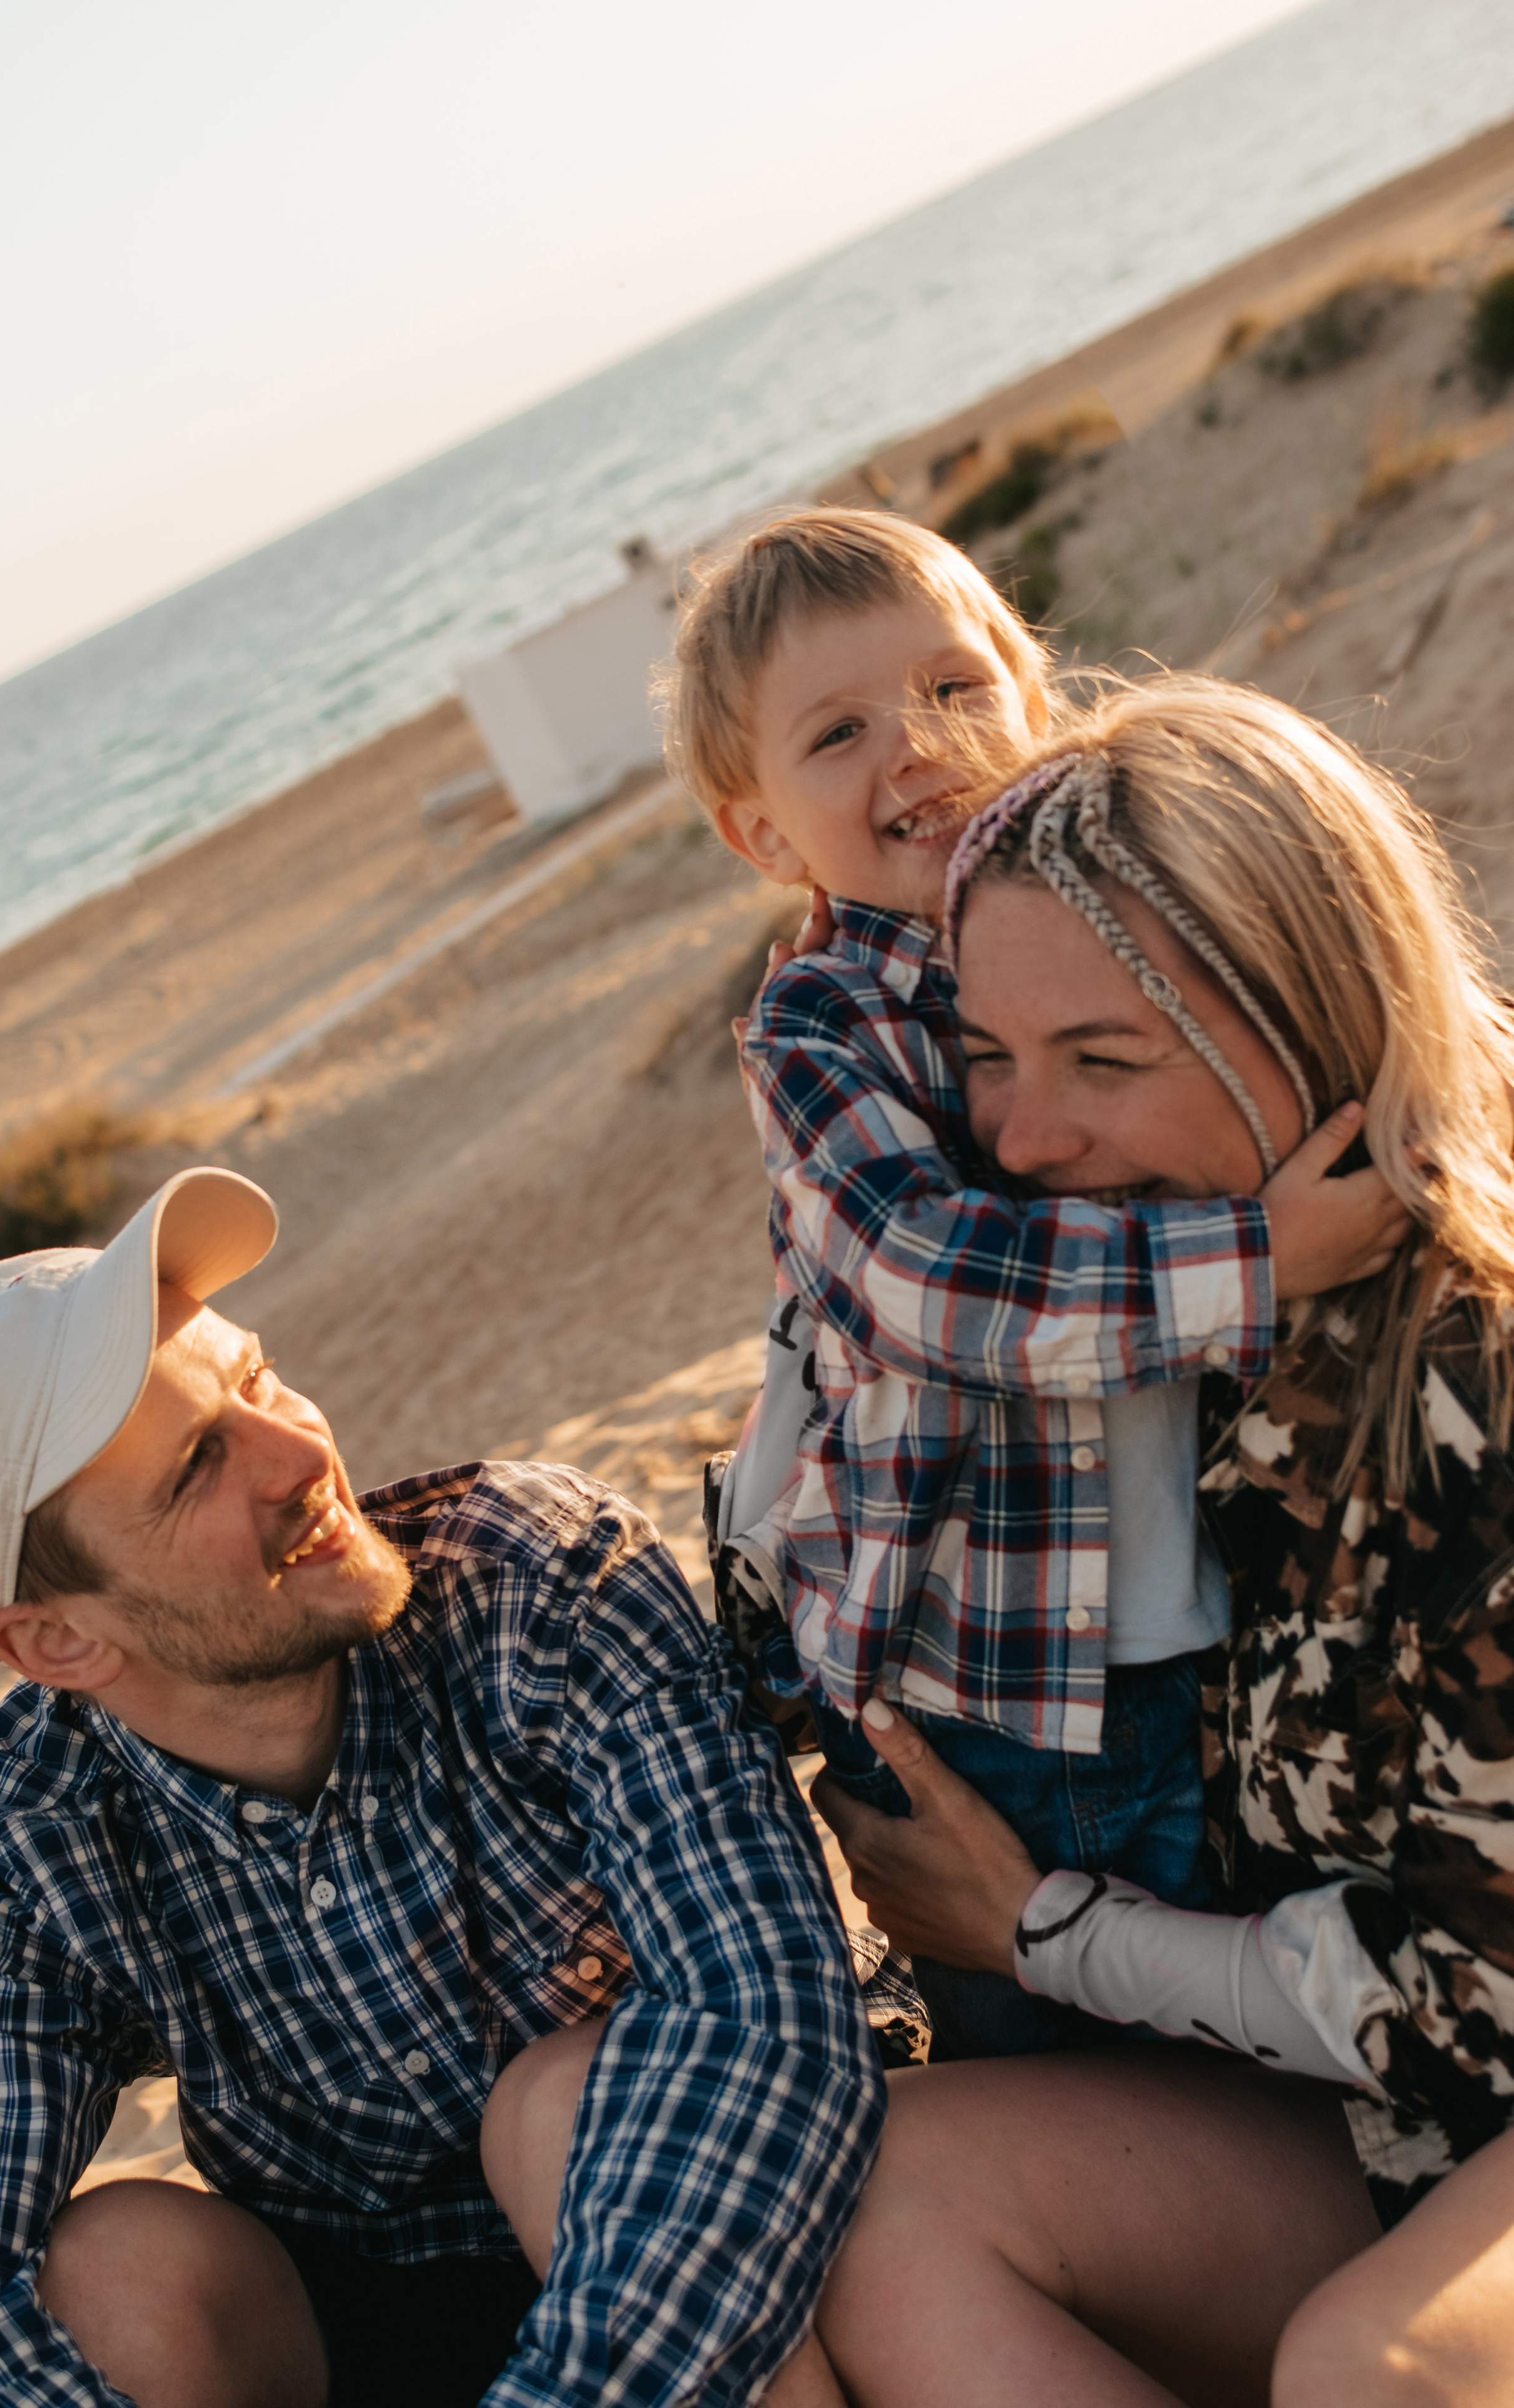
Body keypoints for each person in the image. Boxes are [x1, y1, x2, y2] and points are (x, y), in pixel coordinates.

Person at [804, 676, 1514, 2404]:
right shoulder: (1122, 1324)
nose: (1024, 1141)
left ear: (1328, 1025)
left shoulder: (1476, 1376)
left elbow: (1480, 1998)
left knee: (1367, 2364)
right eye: (986, 1053)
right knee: (882, 2206)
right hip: (1382, 2123)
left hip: (1476, 2055)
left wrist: (1044, 1932)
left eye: (1104, 1061)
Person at [0, 1166, 882, 2408]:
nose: (298, 1453)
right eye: (196, 1466)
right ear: (57, 1646)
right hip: (366, 2310)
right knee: (121, 2273)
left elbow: (762, 2010)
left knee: (566, 2100)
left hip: (697, 2206)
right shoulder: (10, 1850)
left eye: (255, 1381)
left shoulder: (528, 1580)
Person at [662, 507, 1408, 2056]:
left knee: (1228, 2036)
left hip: (1196, 1635)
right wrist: (1256, 1259)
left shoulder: (1123, 898)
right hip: (979, 1688)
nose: (915, 748)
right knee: (1045, 2058)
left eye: (952, 687)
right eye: (837, 731)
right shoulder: (821, 1028)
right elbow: (933, 1287)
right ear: (760, 833)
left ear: (1033, 689)